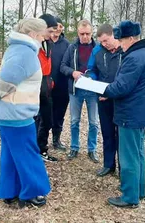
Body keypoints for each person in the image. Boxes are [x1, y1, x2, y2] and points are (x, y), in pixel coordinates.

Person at [0, 18, 51, 208]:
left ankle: (10, 191)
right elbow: (5, 82)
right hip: (16, 114)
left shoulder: (19, 49)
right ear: (33, 34)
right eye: (43, 36)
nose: (44, 39)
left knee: (11, 153)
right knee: (29, 154)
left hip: (10, 113)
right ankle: (31, 193)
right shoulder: (24, 53)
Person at [103, 20, 145, 208]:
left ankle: (129, 196)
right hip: (140, 113)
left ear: (132, 38)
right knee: (138, 153)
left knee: (128, 157)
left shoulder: (134, 58)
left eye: (122, 40)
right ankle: (139, 190)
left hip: (130, 114)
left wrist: (104, 90)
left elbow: (121, 87)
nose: (120, 44)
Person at [60, 19, 99, 163]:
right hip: (75, 90)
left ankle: (92, 149)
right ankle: (74, 147)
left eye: (88, 34)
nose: (85, 37)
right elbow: (63, 66)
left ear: (92, 33)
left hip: (93, 90)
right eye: (82, 34)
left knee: (94, 122)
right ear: (78, 33)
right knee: (74, 121)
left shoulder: (98, 49)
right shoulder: (72, 48)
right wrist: (73, 72)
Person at [87, 24, 122, 177]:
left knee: (121, 135)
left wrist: (112, 92)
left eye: (106, 40)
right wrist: (90, 79)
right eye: (101, 42)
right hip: (102, 99)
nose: (104, 44)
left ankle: (123, 168)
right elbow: (92, 70)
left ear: (113, 35)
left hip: (121, 101)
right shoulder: (99, 52)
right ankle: (109, 164)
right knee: (107, 133)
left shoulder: (125, 52)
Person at [35, 13, 59, 162]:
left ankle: (41, 149)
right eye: (50, 31)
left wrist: (49, 80)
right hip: (35, 84)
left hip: (46, 85)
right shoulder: (32, 44)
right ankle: (35, 150)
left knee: (47, 120)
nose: (52, 34)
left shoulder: (48, 43)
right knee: (34, 120)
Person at [50, 17, 70, 151]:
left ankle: (56, 140)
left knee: (59, 115)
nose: (58, 29)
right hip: (45, 86)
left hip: (62, 86)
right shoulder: (44, 42)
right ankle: (39, 141)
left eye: (60, 26)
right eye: (56, 26)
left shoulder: (66, 44)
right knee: (42, 115)